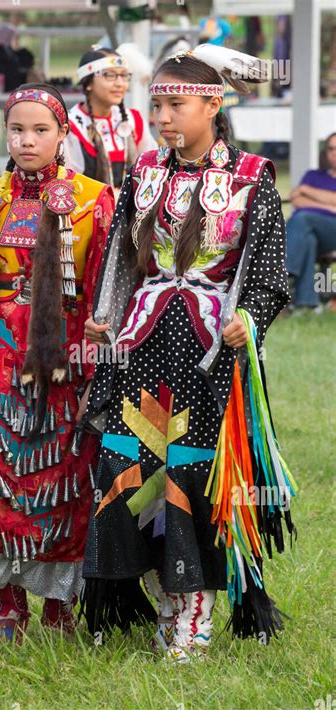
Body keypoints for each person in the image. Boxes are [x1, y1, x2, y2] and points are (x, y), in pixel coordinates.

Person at [79, 45, 297, 663]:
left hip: (206, 351)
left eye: (176, 104)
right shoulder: (144, 169)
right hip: (143, 344)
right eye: (159, 104)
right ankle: (164, 600)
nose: (164, 116)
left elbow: (268, 271)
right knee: (132, 469)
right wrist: (105, 315)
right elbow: (123, 256)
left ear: (213, 103)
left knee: (191, 472)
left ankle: (196, 611)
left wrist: (248, 319)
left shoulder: (252, 174)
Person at [0, 84, 115, 645]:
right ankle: (7, 606)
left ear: (64, 134)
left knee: (62, 484)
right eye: (17, 129)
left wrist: (98, 373)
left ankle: (59, 609)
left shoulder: (93, 200)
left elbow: (101, 297)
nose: (26, 140)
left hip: (63, 363)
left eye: (41, 129)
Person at [64, 47, 157, 193]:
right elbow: (69, 182)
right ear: (88, 83)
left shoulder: (133, 120)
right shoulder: (70, 126)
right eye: (110, 75)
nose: (120, 83)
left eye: (124, 75)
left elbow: (152, 168)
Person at [286, 132, 336, 313]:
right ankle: (307, 303)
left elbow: (301, 197)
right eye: (331, 148)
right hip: (310, 231)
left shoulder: (309, 183)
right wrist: (329, 205)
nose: (334, 153)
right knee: (307, 238)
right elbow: (296, 200)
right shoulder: (313, 175)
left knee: (301, 218)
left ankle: (282, 273)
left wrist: (307, 190)